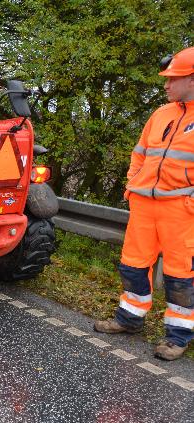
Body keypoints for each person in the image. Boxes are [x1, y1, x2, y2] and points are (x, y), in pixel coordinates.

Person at [94, 47, 194, 361]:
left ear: (191, 79)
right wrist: (132, 184)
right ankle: (129, 320)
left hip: (181, 209)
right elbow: (139, 154)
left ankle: (177, 337)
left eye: (172, 79)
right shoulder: (160, 114)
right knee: (133, 266)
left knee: (181, 277)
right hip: (144, 206)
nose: (165, 85)